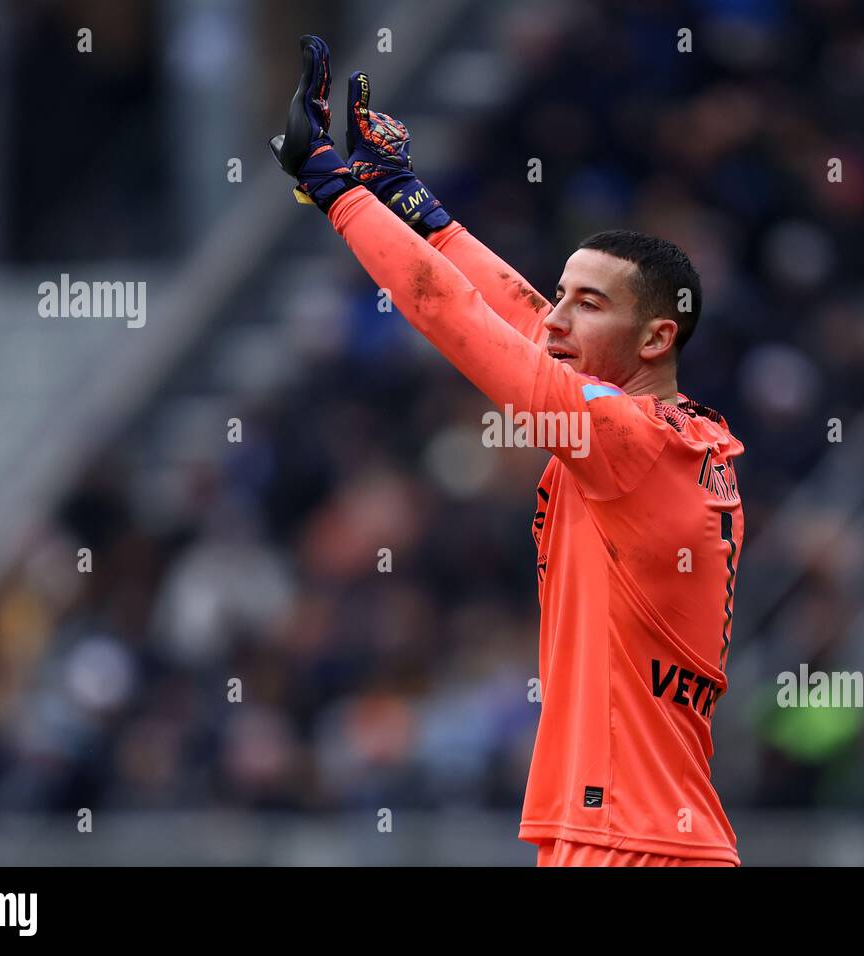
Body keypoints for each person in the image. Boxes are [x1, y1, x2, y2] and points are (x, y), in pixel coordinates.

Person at [271, 35, 744, 867]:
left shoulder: (624, 437)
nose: (557, 318)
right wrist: (410, 201)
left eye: (587, 304)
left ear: (657, 336)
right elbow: (520, 318)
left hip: (628, 841)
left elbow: (451, 317)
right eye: (561, 293)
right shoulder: (662, 432)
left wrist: (334, 189)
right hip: (625, 831)